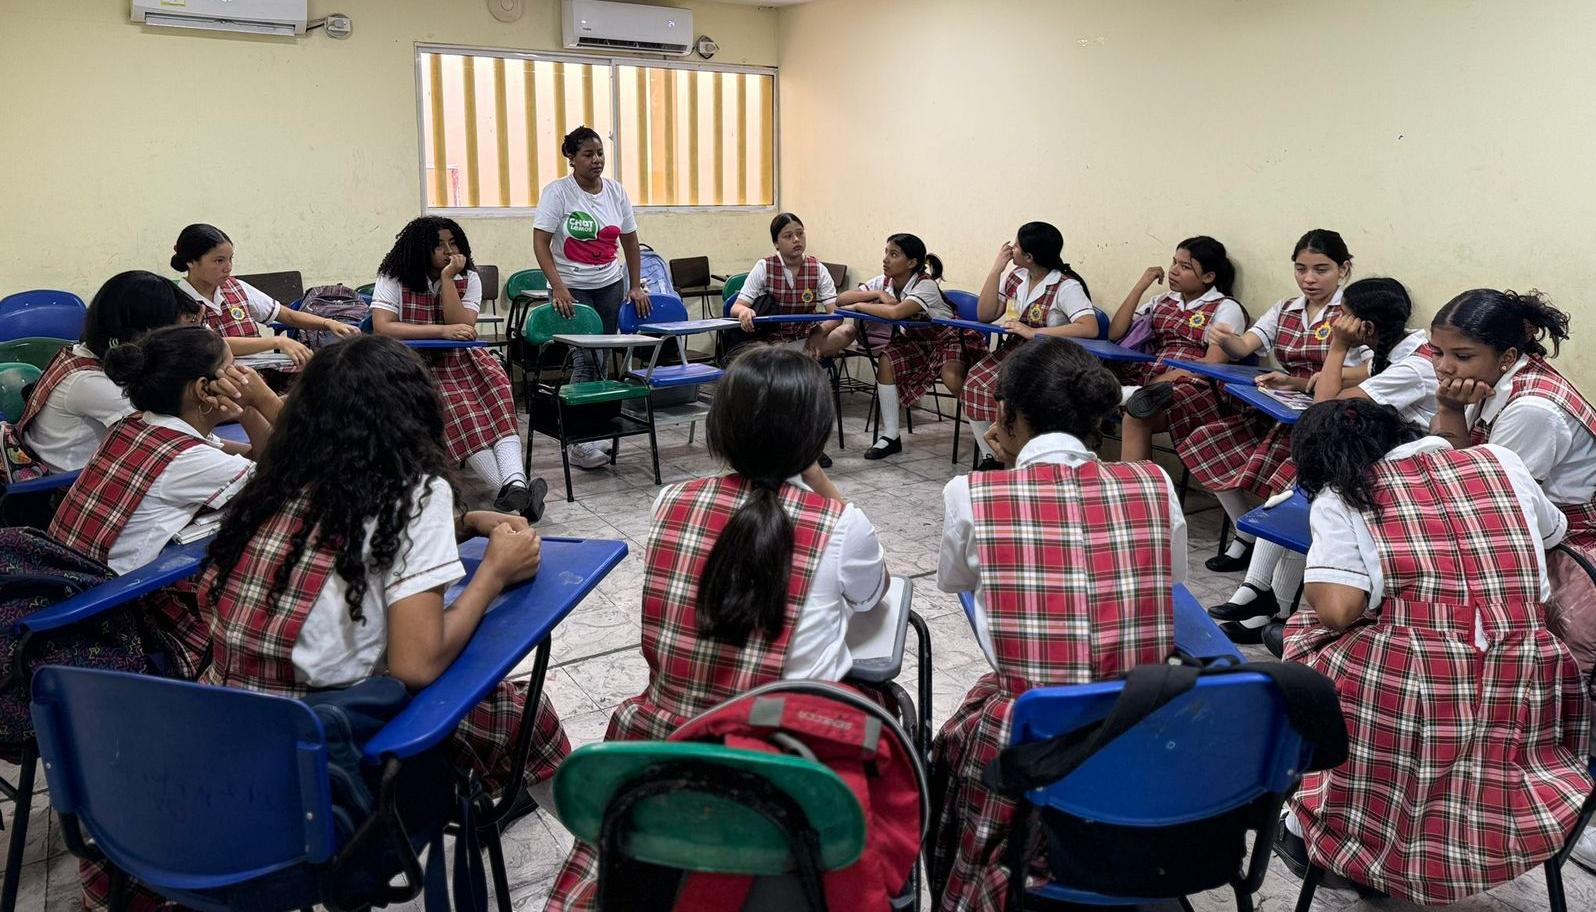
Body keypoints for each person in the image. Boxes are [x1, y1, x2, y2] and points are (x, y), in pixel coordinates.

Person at [544, 346, 890, 911]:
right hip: (783, 769)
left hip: (662, 752)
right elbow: (873, 593)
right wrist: (815, 475)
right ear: (815, 436)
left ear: (719, 427)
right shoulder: (841, 524)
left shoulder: (670, 500)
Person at [201, 334, 569, 824]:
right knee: (527, 714)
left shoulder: (278, 480)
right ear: (415, 414)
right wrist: (495, 573)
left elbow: (351, 534)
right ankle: (589, 853)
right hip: (324, 754)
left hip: (224, 735)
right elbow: (416, 666)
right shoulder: (416, 493)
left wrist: (463, 523)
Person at [1277, 398, 1591, 904]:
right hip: (1528, 666)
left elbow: (1338, 609)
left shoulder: (1345, 495)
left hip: (1419, 681)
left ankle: (1332, 819)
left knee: (1304, 645)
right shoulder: (1499, 460)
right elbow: (1555, 534)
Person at [931, 337, 1184, 911]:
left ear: (1005, 414)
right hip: (1134, 718)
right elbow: (1168, 578)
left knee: (953, 745)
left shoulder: (971, 493)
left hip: (1033, 726)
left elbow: (957, 582)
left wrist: (1002, 475)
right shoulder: (1155, 484)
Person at [1210, 277, 1438, 646]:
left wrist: (1337, 347)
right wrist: (1299, 383)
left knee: (1315, 482)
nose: (1336, 322)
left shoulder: (1414, 365)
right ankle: (1259, 592)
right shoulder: (1393, 349)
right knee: (1300, 480)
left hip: (1411, 470)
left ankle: (1275, 605)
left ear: (1366, 326)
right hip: (1385, 452)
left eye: (1344, 316)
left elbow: (1326, 411)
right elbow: (1347, 386)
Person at [48, 325, 277, 685]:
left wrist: (245, 408)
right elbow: (305, 466)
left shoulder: (139, 422)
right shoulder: (190, 460)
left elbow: (259, 458)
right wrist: (263, 399)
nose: (245, 378)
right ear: (203, 389)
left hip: (69, 588)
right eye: (235, 370)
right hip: (118, 613)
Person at [1178, 228, 1365, 572]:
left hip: (1330, 416)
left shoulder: (1353, 313)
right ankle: (1244, 532)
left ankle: (1267, 566)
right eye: (1300, 269)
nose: (1308, 279)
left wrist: (1300, 381)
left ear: (1344, 269)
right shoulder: (1285, 309)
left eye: (1320, 270)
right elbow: (1245, 346)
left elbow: (1370, 370)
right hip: (1281, 408)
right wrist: (1225, 338)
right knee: (1206, 442)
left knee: (1284, 474)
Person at [372, 216, 547, 520]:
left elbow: (461, 324)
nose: (447, 251)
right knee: (458, 407)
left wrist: (448, 279)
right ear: (418, 248)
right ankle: (516, 490)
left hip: (458, 357)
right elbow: (382, 327)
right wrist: (439, 332)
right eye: (438, 245)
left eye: (453, 244)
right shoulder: (393, 277)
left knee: (498, 387)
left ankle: (515, 484)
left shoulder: (469, 278)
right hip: (411, 364)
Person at [533, 125, 652, 470]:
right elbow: (541, 242)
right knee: (586, 358)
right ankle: (578, 439)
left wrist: (634, 284)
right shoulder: (558, 193)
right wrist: (557, 286)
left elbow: (630, 241)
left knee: (604, 356)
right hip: (572, 286)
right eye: (588, 154)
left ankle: (594, 428)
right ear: (571, 158)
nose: (597, 160)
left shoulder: (616, 192)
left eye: (600, 153)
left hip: (610, 283)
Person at [15, 270, 201, 473]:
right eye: (175, 328)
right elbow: (178, 439)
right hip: (67, 487)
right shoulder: (92, 382)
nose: (179, 337)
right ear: (145, 330)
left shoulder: (84, 353)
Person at [835, 233, 986, 460]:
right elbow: (841, 299)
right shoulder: (884, 282)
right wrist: (876, 294)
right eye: (886, 252)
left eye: (893, 254)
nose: (886, 259)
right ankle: (891, 436)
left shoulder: (925, 285)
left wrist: (860, 305)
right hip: (919, 340)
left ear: (912, 263)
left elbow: (896, 312)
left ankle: (990, 445)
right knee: (887, 360)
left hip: (951, 338)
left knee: (952, 376)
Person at [961, 221, 1098, 470]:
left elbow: (1089, 327)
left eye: (1017, 246)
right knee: (975, 382)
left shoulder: (1066, 286)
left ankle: (1022, 460)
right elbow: (985, 313)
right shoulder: (1016, 277)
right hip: (1013, 351)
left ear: (1029, 256)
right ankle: (993, 455)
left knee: (1013, 395)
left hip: (1048, 358)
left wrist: (1035, 332)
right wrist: (996, 270)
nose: (1011, 248)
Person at [1109, 236, 1247, 463]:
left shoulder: (1225, 307)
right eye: (1174, 262)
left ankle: (1138, 491)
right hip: (1152, 373)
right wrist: (1141, 286)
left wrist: (1160, 381)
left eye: (1185, 267)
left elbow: (1212, 365)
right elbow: (1115, 333)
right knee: (1081, 388)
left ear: (1208, 277)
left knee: (1137, 412)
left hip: (1197, 384)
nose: (1173, 271)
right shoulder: (1162, 300)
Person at [172, 223, 356, 366]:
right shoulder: (178, 301)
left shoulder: (236, 287)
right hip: (221, 377)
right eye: (219, 261)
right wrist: (276, 342)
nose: (228, 267)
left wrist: (328, 323)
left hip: (259, 369)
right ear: (191, 261)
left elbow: (287, 315)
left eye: (230, 259)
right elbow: (215, 344)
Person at [728, 211, 855, 357]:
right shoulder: (765, 266)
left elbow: (836, 314)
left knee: (848, 331)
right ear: (776, 243)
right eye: (788, 236)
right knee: (765, 351)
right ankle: (799, 359)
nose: (796, 239)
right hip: (771, 342)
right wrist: (744, 312)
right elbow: (736, 307)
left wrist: (818, 333)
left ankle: (796, 358)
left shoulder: (817, 268)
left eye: (800, 234)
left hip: (807, 337)